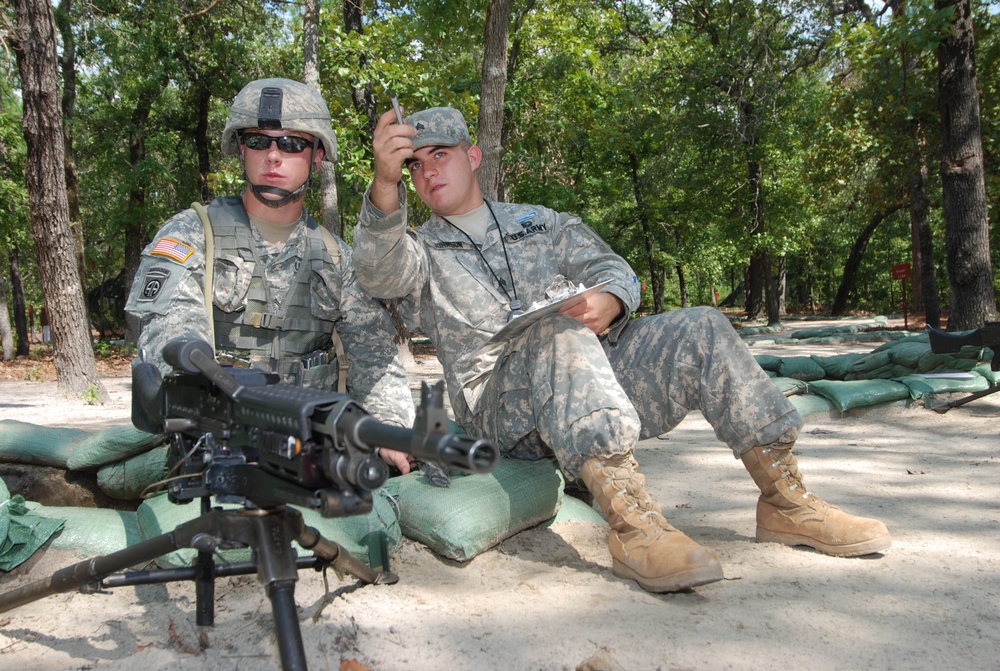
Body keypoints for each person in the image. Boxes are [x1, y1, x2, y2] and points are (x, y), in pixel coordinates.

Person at [351, 105, 891, 593]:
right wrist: (383, 183)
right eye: (414, 166)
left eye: (439, 156)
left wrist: (611, 297)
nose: (428, 173)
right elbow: (378, 274)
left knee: (701, 327)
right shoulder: (416, 250)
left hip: (587, 383)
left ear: (473, 156)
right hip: (499, 414)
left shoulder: (537, 221)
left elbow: (611, 267)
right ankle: (637, 529)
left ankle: (785, 500)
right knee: (553, 331)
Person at [125, 78, 415, 471]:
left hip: (309, 452)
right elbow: (173, 343)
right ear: (242, 150)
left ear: (316, 157)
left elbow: (374, 358)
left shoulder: (337, 258)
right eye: (259, 141)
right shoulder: (191, 235)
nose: (273, 156)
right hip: (214, 446)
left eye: (293, 143)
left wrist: (388, 429)